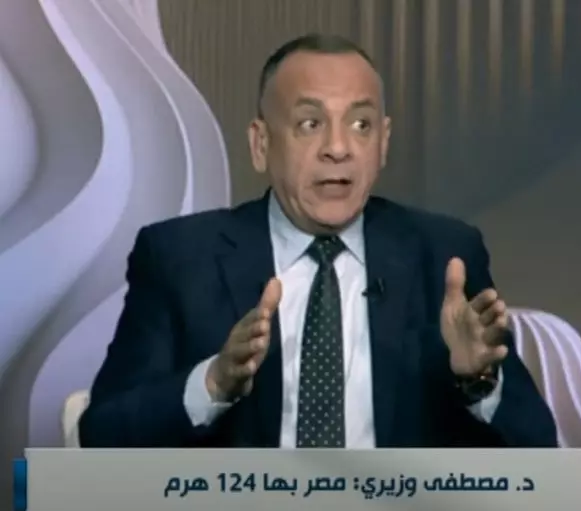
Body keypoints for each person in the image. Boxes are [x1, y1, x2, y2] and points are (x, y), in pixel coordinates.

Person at [78, 33, 557, 448]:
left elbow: (538, 445)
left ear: (383, 143)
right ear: (261, 144)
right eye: (310, 123)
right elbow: (102, 434)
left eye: (361, 125)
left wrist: (477, 380)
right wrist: (213, 384)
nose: (338, 148)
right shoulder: (180, 257)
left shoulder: (444, 256)